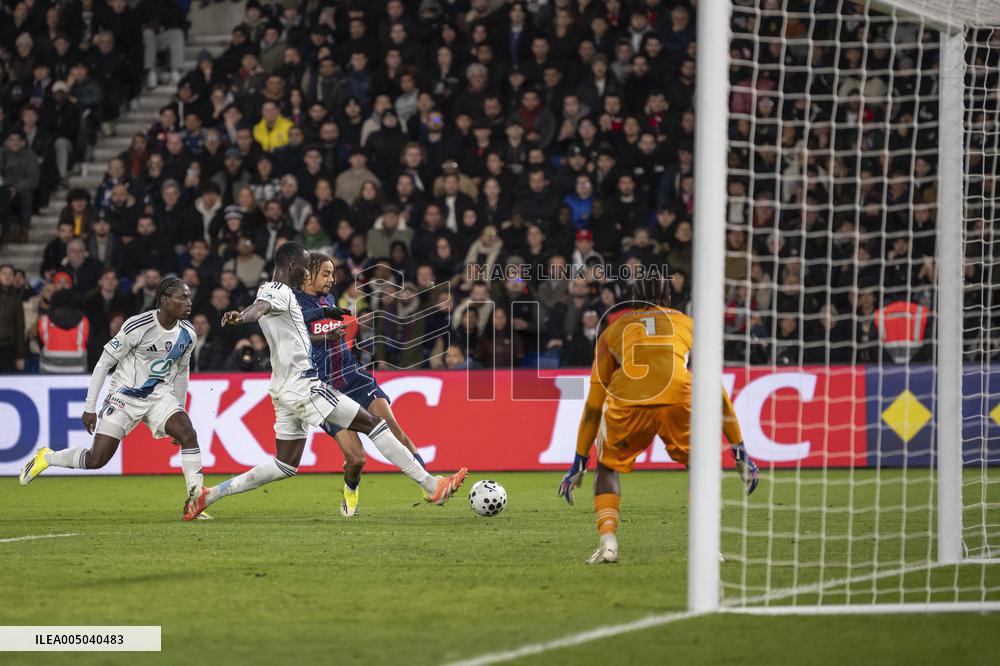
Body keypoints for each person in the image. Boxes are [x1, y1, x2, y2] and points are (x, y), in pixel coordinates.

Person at [182, 242, 468, 520]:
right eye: (305, 267)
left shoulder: (281, 294)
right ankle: (433, 486)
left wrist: (324, 313)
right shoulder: (276, 290)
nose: (307, 273)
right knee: (374, 425)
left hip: (282, 389)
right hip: (305, 386)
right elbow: (260, 308)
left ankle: (209, 495)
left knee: (285, 464)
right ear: (292, 266)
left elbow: (287, 320)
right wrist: (241, 317)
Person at [557, 274, 760, 564]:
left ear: (633, 300)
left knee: (607, 467)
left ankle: (609, 542)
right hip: (680, 397)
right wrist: (739, 450)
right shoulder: (689, 325)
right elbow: (716, 392)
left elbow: (593, 405)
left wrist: (579, 459)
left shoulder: (613, 330)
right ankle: (706, 545)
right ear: (669, 298)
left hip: (629, 401)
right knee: (700, 467)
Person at [20, 277, 209, 520]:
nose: (189, 302)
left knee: (187, 433)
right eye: (182, 297)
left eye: (189, 297)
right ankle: (47, 457)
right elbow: (104, 363)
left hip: (159, 397)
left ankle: (195, 502)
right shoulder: (138, 326)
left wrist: (179, 408)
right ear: (164, 300)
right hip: (124, 397)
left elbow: (182, 371)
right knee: (96, 459)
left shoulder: (188, 334)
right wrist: (90, 407)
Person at [296, 252, 429, 516]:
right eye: (326, 273)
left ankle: (430, 484)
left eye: (333, 274)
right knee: (356, 459)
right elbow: (296, 337)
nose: (331, 279)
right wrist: (323, 336)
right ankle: (350, 489)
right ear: (308, 274)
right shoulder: (293, 304)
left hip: (353, 376)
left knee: (393, 428)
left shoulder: (330, 300)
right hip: (325, 389)